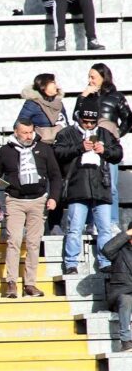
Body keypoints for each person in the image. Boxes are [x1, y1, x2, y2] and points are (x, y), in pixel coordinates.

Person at [0, 119, 61, 299]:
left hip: (38, 201)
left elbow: (55, 176)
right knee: (14, 240)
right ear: (16, 132)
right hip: (15, 201)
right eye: (24, 133)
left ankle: (30, 283)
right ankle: (11, 282)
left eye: (30, 132)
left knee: (34, 243)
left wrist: (54, 197)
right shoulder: (6, 151)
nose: (28, 136)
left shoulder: (44, 149)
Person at [54, 98, 122, 275]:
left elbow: (118, 153)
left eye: (93, 122)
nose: (89, 125)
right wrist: (79, 147)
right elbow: (58, 153)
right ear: (79, 118)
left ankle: (105, 262)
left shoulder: (105, 133)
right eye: (86, 122)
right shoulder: (67, 133)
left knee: (105, 228)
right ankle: (71, 263)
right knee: (75, 228)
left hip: (101, 186)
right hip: (77, 186)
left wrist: (105, 151)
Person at [74, 64, 131, 229]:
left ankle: (112, 221)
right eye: (89, 76)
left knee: (110, 185)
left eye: (93, 77)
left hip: (108, 146)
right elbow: (76, 116)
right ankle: (91, 222)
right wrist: (82, 97)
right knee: (89, 184)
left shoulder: (116, 97)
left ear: (103, 77)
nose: (90, 80)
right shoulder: (87, 97)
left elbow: (128, 118)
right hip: (90, 143)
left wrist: (117, 133)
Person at [18, 73, 70, 144]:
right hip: (40, 145)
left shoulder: (58, 103)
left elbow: (66, 124)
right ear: (43, 85)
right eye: (53, 83)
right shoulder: (33, 103)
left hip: (60, 144)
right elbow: (20, 124)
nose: (56, 86)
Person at [104, 224, 132, 351]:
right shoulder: (120, 251)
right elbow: (107, 249)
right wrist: (127, 234)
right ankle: (126, 341)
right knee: (126, 300)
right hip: (122, 293)